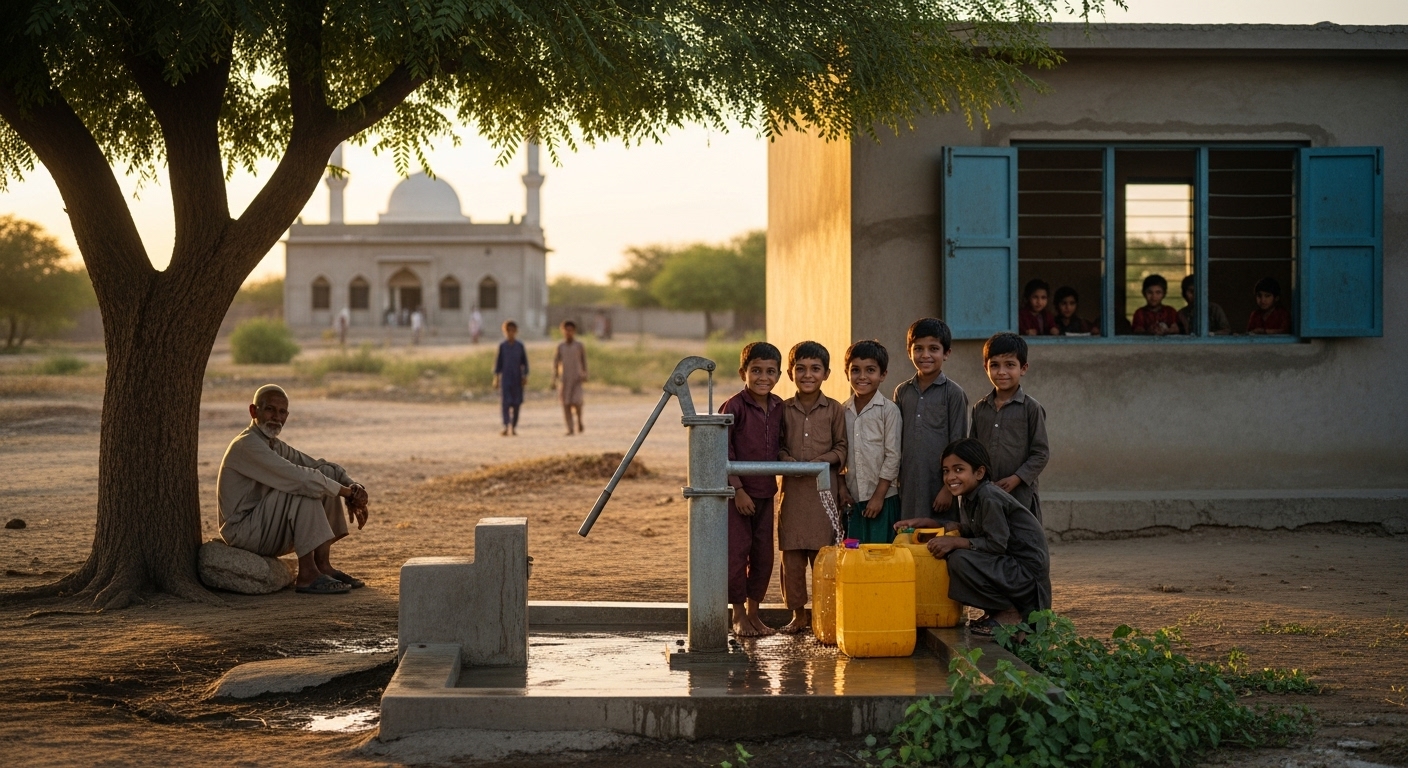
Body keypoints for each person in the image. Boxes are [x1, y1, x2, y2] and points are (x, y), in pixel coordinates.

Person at [216, 385, 370, 595]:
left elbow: (319, 466)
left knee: (321, 475)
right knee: (302, 487)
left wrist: (354, 487)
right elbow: (300, 479)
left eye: (282, 412)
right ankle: (307, 574)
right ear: (254, 411)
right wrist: (346, 493)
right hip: (242, 531)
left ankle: (322, 565)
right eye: (270, 409)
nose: (276, 417)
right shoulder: (246, 445)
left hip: (264, 526)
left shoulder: (273, 444)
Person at [895, 438, 1050, 637]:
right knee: (956, 554)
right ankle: (998, 611)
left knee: (959, 559)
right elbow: (971, 530)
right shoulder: (972, 495)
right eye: (946, 471)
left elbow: (996, 544)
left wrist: (955, 542)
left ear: (979, 472)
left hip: (1027, 578)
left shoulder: (989, 496)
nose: (950, 477)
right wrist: (930, 523)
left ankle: (1009, 613)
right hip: (1012, 570)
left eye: (958, 470)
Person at [777, 340, 847, 635]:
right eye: (801, 369)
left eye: (815, 369)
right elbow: (776, 447)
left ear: (827, 373)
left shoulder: (834, 410)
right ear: (790, 373)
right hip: (792, 495)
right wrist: (788, 461)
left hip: (823, 494)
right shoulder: (781, 409)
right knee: (792, 561)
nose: (808, 375)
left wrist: (822, 460)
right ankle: (798, 615)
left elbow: (842, 447)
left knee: (823, 560)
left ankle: (822, 615)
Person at [718, 341, 785, 638]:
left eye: (770, 371)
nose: (763, 377)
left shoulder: (779, 406)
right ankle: (739, 615)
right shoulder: (734, 406)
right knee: (737, 553)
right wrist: (738, 489)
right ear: (743, 372)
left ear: (779, 375)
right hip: (738, 495)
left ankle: (755, 613)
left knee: (763, 555)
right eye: (756, 370)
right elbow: (724, 449)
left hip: (766, 492)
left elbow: (782, 446)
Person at [894, 318, 969, 524]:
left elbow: (958, 443)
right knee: (908, 539)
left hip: (939, 485)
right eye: (918, 348)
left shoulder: (953, 394)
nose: (925, 355)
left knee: (939, 540)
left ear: (946, 353)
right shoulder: (902, 392)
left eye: (933, 348)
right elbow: (896, 440)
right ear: (909, 352)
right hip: (908, 484)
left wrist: (948, 489)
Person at [970, 333, 1049, 522]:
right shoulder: (980, 409)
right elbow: (973, 451)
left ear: (1023, 368)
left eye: (1010, 365)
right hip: (987, 493)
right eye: (995, 365)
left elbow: (1040, 453)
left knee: (1022, 541)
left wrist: (1016, 478)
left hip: (1021, 495)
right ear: (985, 367)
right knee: (992, 539)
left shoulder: (1031, 408)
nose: (1002, 372)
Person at [839, 340, 902, 544]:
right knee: (855, 554)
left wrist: (878, 496)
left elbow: (893, 456)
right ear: (847, 372)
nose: (863, 377)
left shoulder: (889, 411)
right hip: (853, 499)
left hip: (883, 499)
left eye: (871, 370)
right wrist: (842, 489)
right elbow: (839, 453)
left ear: (882, 375)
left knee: (880, 554)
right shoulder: (842, 411)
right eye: (855, 370)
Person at [552, 320, 588, 435]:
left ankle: (579, 421)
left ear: (574, 331)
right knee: (566, 403)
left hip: (577, 377)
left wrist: (585, 373)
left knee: (577, 402)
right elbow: (556, 363)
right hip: (565, 379)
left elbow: (584, 361)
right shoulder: (560, 346)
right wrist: (554, 378)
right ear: (563, 331)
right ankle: (570, 428)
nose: (568, 333)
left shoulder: (579, 346)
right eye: (566, 330)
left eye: (570, 330)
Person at [493, 320, 528, 436]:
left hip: (517, 378)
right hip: (506, 378)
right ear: (505, 331)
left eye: (513, 331)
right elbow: (498, 364)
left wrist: (525, 376)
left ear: (516, 332)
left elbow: (524, 363)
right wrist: (496, 379)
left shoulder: (520, 346)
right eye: (508, 331)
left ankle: (513, 426)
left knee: (516, 403)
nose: (511, 333)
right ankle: (506, 425)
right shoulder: (502, 346)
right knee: (505, 403)